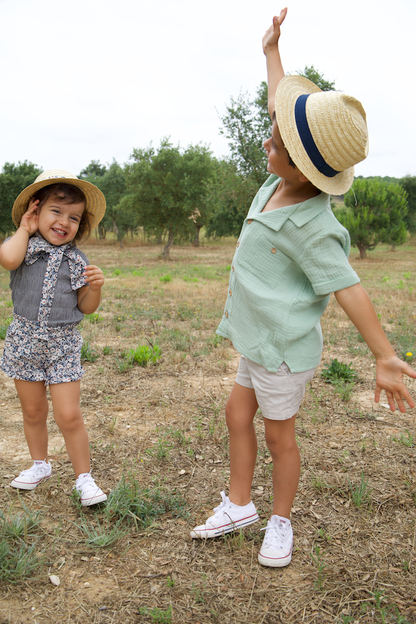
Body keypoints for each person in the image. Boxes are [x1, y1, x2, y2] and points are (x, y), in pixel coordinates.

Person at [191, 9, 416, 567]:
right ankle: (240, 503)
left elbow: (348, 288)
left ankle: (280, 520)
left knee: (278, 438)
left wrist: (385, 355)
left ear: (306, 170)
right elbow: (277, 105)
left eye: (279, 144)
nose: (268, 140)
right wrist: (271, 51)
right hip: (257, 338)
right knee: (235, 415)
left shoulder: (315, 227)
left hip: (285, 353)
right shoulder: (278, 177)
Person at [0, 169, 108, 506]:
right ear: (35, 211)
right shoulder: (24, 248)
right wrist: (23, 227)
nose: (64, 222)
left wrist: (95, 287)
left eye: (73, 217)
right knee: (33, 412)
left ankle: (84, 478)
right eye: (56, 211)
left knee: (69, 415)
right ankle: (39, 464)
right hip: (24, 341)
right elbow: (7, 259)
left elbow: (86, 307)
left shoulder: (77, 260)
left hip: (62, 345)